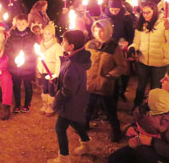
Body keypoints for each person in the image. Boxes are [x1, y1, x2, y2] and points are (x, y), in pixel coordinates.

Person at [49, 30, 91, 163]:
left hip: (70, 102)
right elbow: (70, 81)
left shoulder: (73, 65)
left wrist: (57, 101)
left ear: (71, 46)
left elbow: (68, 90)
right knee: (75, 122)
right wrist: (57, 80)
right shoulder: (75, 59)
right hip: (78, 99)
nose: (62, 43)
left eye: (64, 41)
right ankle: (86, 144)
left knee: (60, 128)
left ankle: (64, 158)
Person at [108, 72, 169, 163]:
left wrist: (151, 141)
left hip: (160, 151)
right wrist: (134, 127)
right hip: (146, 142)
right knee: (114, 159)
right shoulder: (158, 97)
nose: (161, 80)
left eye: (166, 79)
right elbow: (146, 116)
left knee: (142, 152)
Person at [85, 19, 127, 142]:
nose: (99, 33)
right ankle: (84, 125)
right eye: (96, 30)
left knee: (110, 110)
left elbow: (122, 66)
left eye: (102, 30)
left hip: (104, 85)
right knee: (88, 107)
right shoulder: (90, 45)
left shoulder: (114, 48)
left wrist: (109, 76)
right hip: (90, 83)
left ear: (108, 31)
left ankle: (116, 132)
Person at [128, 1, 169, 110]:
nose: (145, 15)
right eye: (143, 12)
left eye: (148, 12)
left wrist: (168, 29)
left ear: (154, 11)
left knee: (156, 88)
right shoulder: (141, 25)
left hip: (160, 62)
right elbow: (137, 42)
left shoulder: (163, 24)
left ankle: (153, 109)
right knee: (141, 86)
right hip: (143, 61)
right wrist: (132, 47)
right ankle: (136, 106)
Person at [5, 14, 37, 113]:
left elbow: (35, 50)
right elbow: (7, 49)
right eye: (19, 23)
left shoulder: (32, 36)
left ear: (27, 23)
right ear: (16, 24)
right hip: (15, 66)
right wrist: (15, 57)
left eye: (23, 23)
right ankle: (17, 104)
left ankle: (27, 104)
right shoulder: (12, 36)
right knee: (16, 86)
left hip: (28, 66)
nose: (21, 25)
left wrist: (26, 58)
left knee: (28, 85)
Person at [37, 23, 63, 117]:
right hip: (44, 71)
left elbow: (58, 61)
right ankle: (45, 105)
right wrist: (39, 69)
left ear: (52, 35)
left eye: (49, 34)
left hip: (52, 72)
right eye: (45, 33)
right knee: (44, 88)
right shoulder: (41, 45)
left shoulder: (56, 46)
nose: (46, 36)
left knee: (51, 89)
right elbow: (39, 59)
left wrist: (56, 74)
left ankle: (51, 106)